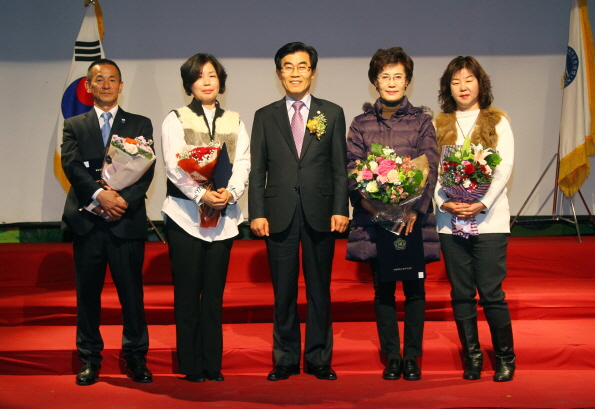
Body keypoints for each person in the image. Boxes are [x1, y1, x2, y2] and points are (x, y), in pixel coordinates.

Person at [249, 42, 349, 381]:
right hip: (278, 213)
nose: (295, 73)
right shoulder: (265, 115)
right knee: (284, 291)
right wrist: (257, 212)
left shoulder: (331, 113)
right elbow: (257, 169)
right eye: (288, 67)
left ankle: (319, 358)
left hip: (321, 212)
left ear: (313, 71)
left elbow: (340, 168)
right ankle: (286, 359)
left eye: (302, 66)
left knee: (320, 289)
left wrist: (341, 207)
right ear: (279, 74)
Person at [346, 47, 439, 381]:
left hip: (414, 220)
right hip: (376, 219)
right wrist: (376, 207)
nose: (391, 82)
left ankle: (412, 356)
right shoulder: (360, 124)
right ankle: (393, 358)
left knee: (415, 289)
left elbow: (431, 165)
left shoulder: (422, 121)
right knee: (383, 289)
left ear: (408, 81)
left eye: (398, 76)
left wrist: (414, 209)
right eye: (384, 76)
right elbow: (353, 168)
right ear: (375, 82)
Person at [61, 59, 155, 386]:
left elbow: (145, 172)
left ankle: (136, 359)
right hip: (87, 223)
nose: (105, 84)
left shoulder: (139, 124)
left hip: (125, 222)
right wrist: (99, 196)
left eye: (112, 79)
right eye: (99, 79)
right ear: (88, 86)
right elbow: (71, 166)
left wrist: (122, 201)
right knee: (88, 296)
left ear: (120, 86)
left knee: (132, 296)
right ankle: (89, 359)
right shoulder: (74, 124)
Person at [161, 53, 250, 383]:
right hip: (185, 218)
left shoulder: (235, 120)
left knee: (213, 297)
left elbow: (243, 162)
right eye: (199, 77)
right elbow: (173, 165)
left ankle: (212, 365)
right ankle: (191, 365)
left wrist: (229, 192)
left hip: (223, 219)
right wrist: (201, 195)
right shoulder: (175, 118)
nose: (207, 81)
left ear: (221, 81)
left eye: (212, 75)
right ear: (190, 84)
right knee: (187, 295)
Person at [434, 56, 515, 382]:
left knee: (491, 292)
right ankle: (473, 359)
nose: (463, 86)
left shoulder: (497, 121)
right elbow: (433, 172)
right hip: (450, 223)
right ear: (448, 88)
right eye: (456, 81)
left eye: (468, 79)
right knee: (461, 292)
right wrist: (444, 201)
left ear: (480, 83)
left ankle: (506, 359)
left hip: (490, 220)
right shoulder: (440, 123)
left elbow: (504, 168)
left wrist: (480, 202)